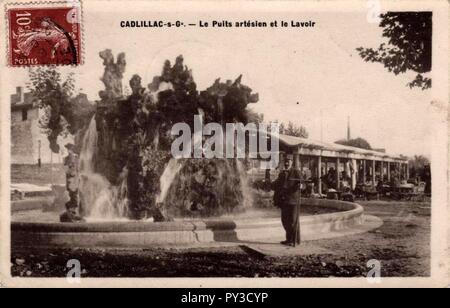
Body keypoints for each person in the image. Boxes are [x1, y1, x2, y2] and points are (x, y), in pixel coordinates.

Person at [272, 158, 302, 246]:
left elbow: (303, 183)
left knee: (293, 221)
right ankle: (288, 239)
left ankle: (294, 240)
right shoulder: (282, 174)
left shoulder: (296, 172)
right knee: (284, 220)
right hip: (284, 200)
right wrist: (269, 183)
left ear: (291, 163)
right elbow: (276, 184)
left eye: (288, 162)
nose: (286, 164)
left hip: (293, 200)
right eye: (285, 162)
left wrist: (301, 186)